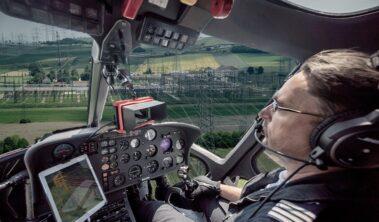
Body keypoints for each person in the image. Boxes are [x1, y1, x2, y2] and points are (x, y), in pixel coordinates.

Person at [134, 49, 379, 222]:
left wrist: (147, 207)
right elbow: (262, 194)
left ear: (335, 133)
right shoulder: (332, 177)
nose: (264, 112)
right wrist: (214, 188)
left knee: (151, 209)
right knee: (197, 198)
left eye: (280, 106)